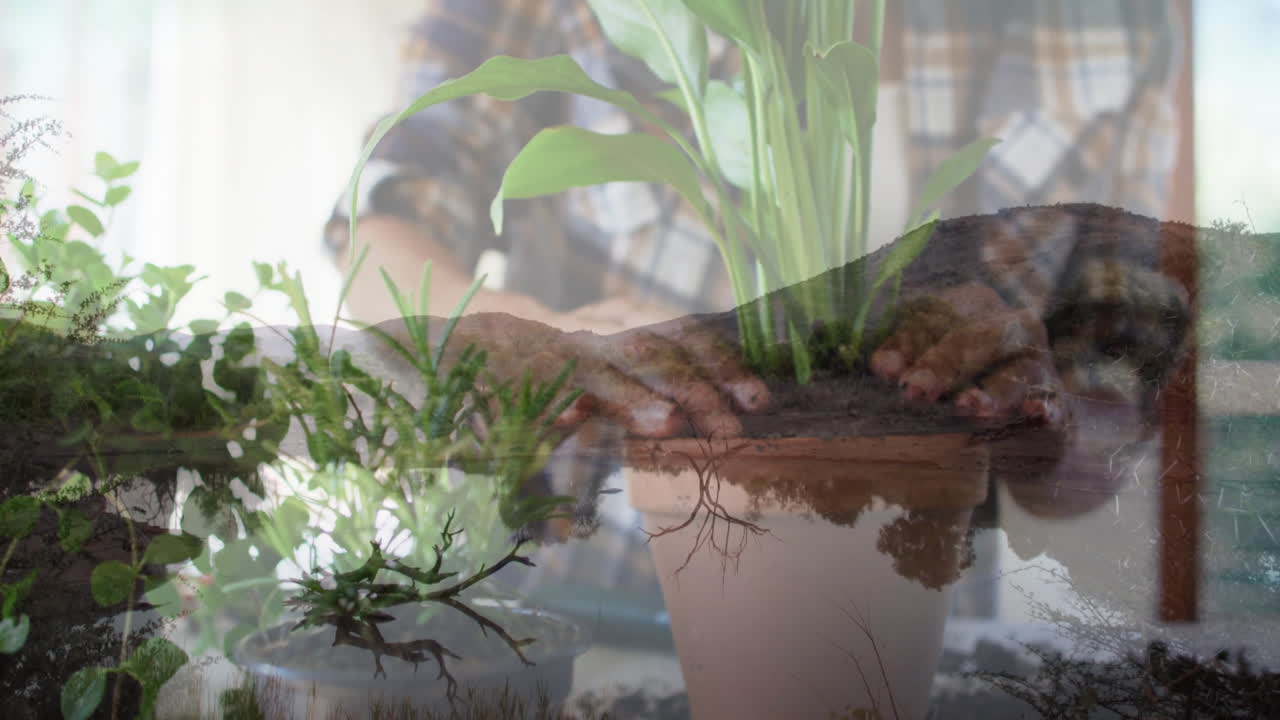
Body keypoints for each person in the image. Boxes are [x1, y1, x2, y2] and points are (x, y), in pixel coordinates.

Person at [321, 0, 1188, 604]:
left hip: (907, 599)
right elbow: (383, 227)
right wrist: (544, 337)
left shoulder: (1116, 21)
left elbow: (1102, 411)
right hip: (591, 589)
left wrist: (1042, 412)